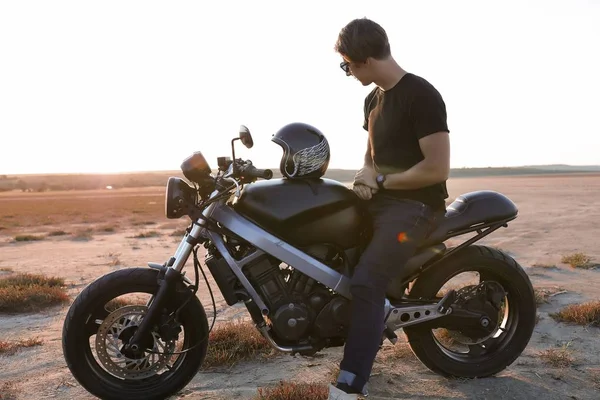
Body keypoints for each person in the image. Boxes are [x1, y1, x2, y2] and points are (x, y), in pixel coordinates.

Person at [328, 18, 451, 399]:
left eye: (347, 64)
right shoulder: (372, 99)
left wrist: (382, 183)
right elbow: (371, 156)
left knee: (366, 283)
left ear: (364, 59)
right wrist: (366, 176)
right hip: (382, 201)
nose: (347, 72)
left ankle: (351, 383)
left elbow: (436, 168)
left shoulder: (421, 94)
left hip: (416, 207)